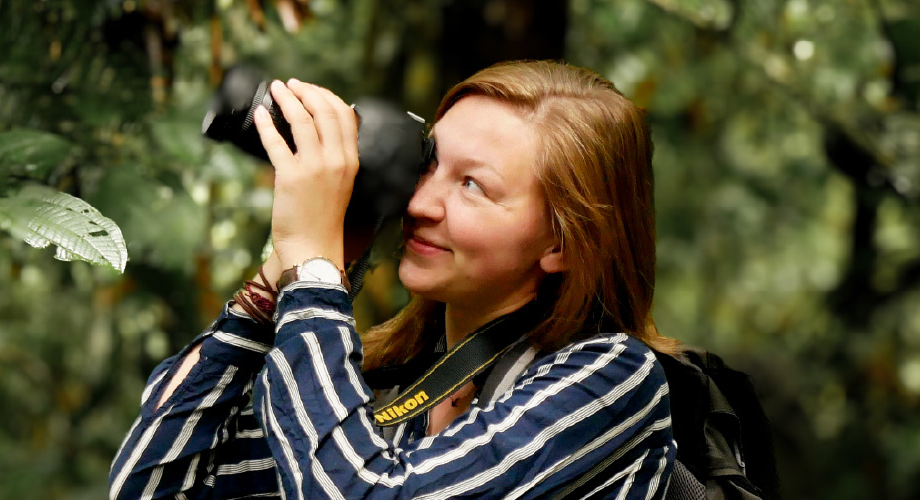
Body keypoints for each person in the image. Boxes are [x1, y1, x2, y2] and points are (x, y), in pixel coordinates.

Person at [108, 60, 679, 499]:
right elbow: (153, 487)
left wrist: (313, 269)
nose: (421, 203)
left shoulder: (612, 382)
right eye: (428, 164)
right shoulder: (386, 388)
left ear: (562, 244)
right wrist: (278, 277)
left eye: (473, 185)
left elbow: (364, 490)